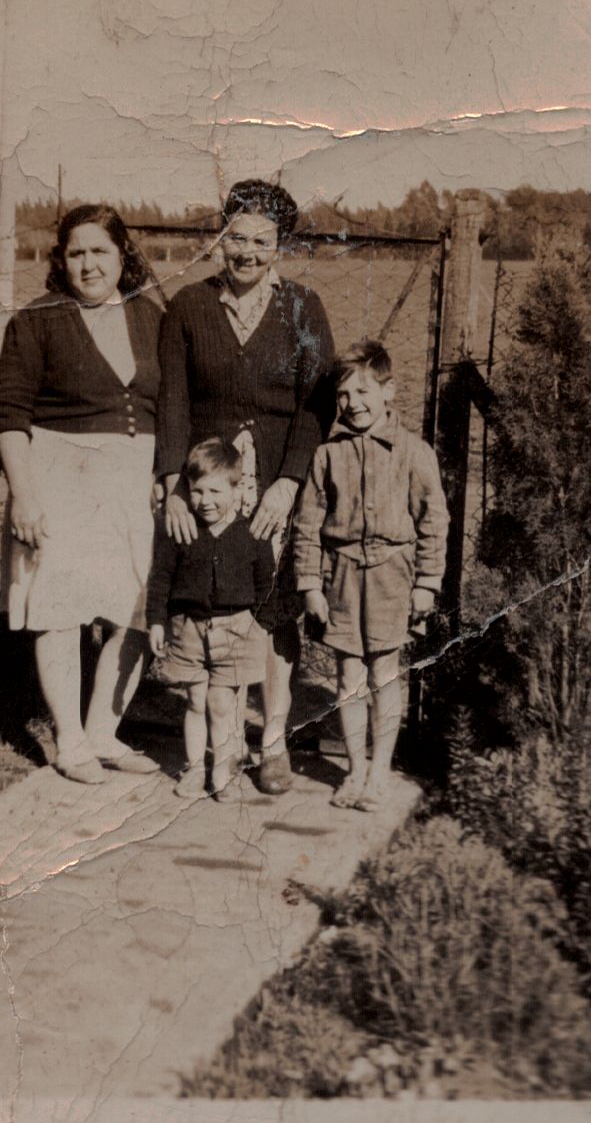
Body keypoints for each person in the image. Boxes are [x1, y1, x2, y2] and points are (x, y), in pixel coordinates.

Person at [155, 178, 336, 796]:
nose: (248, 253)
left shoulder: (303, 309)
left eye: (262, 241)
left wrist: (288, 482)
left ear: (279, 247)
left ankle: (275, 740)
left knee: (275, 608)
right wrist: (175, 484)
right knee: (218, 604)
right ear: (219, 239)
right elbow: (173, 403)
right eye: (237, 239)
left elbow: (318, 407)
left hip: (277, 484)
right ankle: (219, 750)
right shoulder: (188, 307)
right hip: (212, 486)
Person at [0, 204, 165, 783]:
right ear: (61, 260)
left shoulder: (151, 314)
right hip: (59, 472)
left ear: (123, 256)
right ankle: (69, 741)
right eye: (76, 253)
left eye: (100, 252)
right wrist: (26, 495)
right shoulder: (37, 320)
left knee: (133, 606)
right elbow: (9, 415)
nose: (88, 265)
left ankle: (104, 735)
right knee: (59, 609)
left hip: (133, 476)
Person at [294, 339, 448, 809]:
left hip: (392, 578)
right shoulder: (328, 455)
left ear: (389, 392)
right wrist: (309, 585)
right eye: (343, 396)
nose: (353, 404)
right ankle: (355, 771)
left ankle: (380, 772)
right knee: (348, 679)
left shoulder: (414, 452)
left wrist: (426, 583)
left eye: (363, 392)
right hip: (341, 577)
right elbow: (308, 525)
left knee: (384, 674)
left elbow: (433, 521)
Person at [145, 439, 276, 801]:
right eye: (197, 490)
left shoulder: (251, 535)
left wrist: (263, 624)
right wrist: (156, 620)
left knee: (222, 704)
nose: (205, 501)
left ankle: (223, 773)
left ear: (236, 489)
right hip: (188, 628)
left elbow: (267, 584)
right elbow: (161, 578)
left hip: (236, 629)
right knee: (194, 701)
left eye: (216, 491)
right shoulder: (181, 531)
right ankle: (193, 769)